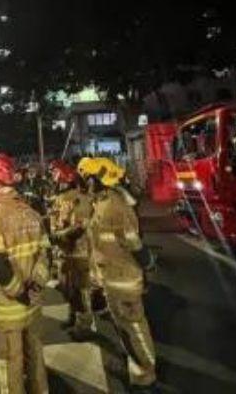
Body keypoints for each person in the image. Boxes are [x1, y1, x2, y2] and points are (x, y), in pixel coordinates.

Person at [82, 158, 158, 392]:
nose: (86, 183)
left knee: (134, 327)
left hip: (123, 279)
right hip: (113, 278)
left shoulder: (114, 206)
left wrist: (147, 264)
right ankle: (137, 366)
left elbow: (134, 243)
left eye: (88, 179)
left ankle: (146, 373)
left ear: (98, 180)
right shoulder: (104, 202)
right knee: (125, 327)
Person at [0, 155, 50, 393]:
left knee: (7, 363)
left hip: (6, 306)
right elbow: (45, 255)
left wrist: (18, 293)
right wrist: (36, 287)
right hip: (32, 305)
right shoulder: (33, 214)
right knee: (35, 357)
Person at [48, 161, 93, 339]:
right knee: (68, 288)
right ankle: (73, 316)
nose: (55, 180)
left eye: (56, 176)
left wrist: (56, 237)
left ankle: (83, 324)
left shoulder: (79, 199)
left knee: (80, 290)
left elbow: (79, 227)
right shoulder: (62, 198)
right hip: (64, 252)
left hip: (78, 252)